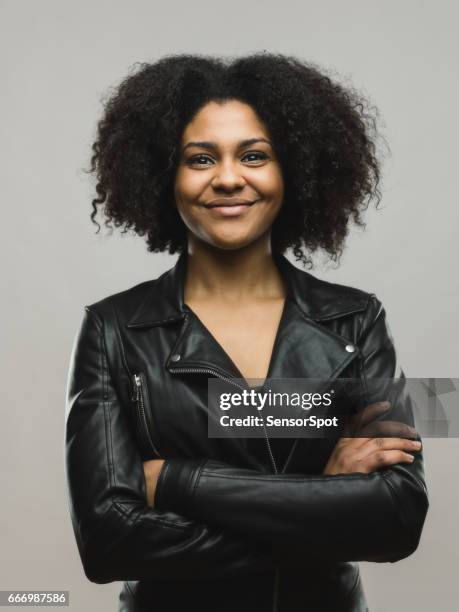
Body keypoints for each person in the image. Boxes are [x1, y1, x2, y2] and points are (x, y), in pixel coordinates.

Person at [65, 52, 429, 612]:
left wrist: (180, 482)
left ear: (294, 170)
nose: (229, 178)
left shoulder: (357, 320)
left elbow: (398, 518)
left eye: (255, 156)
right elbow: (108, 542)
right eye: (201, 158)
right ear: (165, 175)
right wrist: (326, 504)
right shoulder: (114, 329)